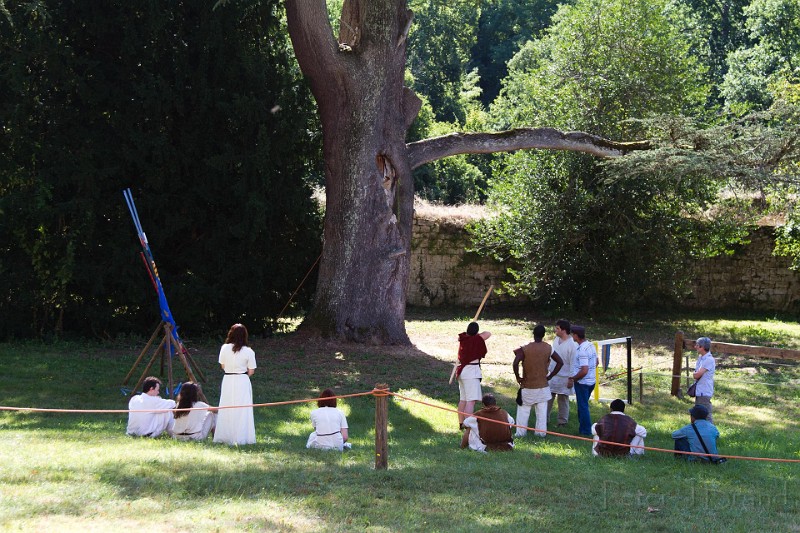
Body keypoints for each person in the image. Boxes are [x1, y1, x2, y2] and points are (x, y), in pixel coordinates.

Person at [513, 324, 563, 437]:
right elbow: (560, 362)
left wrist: (518, 377)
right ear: (544, 335)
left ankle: (520, 433)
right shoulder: (548, 348)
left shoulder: (524, 348)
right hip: (543, 386)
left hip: (528, 385)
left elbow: (515, 363)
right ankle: (540, 434)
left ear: (533, 334)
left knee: (523, 411)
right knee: (541, 413)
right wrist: (550, 376)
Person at [213, 323, 257, 445]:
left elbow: (223, 366)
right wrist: (241, 375)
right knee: (242, 408)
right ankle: (242, 437)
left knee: (227, 406)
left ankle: (225, 436)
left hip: (228, 379)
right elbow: (251, 371)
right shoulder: (248, 351)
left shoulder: (224, 348)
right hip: (242, 380)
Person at [456, 321, 491, 429]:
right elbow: (488, 333)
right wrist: (477, 335)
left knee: (463, 400)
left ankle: (461, 423)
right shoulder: (475, 339)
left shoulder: (464, 338)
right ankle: (467, 426)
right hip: (471, 372)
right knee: (470, 402)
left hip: (463, 372)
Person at [568, 325, 597, 436]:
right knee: (583, 405)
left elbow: (584, 370)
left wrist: (574, 378)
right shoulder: (591, 346)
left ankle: (586, 431)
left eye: (572, 334)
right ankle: (582, 428)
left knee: (583, 406)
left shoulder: (582, 351)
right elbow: (596, 362)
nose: (572, 336)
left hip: (583, 383)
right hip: (591, 381)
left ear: (576, 335)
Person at [548, 319, 577, 427]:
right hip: (552, 375)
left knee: (563, 400)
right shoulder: (556, 339)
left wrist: (571, 379)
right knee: (548, 398)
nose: (555, 330)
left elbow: (573, 363)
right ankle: (544, 419)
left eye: (557, 328)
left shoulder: (572, 345)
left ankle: (562, 422)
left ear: (563, 330)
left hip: (565, 377)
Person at [693, 336, 715, 423]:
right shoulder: (701, 358)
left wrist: (695, 374)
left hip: (704, 392)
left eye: (697, 345)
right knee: (698, 414)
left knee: (706, 414)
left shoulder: (709, 360)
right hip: (699, 390)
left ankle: (712, 433)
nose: (695, 347)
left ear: (702, 347)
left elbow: (697, 375)